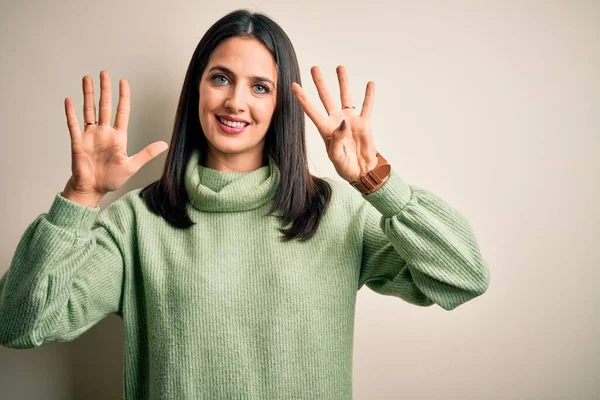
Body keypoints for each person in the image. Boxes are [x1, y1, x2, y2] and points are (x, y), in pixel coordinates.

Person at [0, 8, 490, 400]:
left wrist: (378, 182)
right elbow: (20, 324)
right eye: (220, 78)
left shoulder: (333, 212)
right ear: (197, 87)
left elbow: (462, 275)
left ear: (279, 106)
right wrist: (80, 197)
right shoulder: (137, 223)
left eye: (260, 87)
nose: (237, 101)